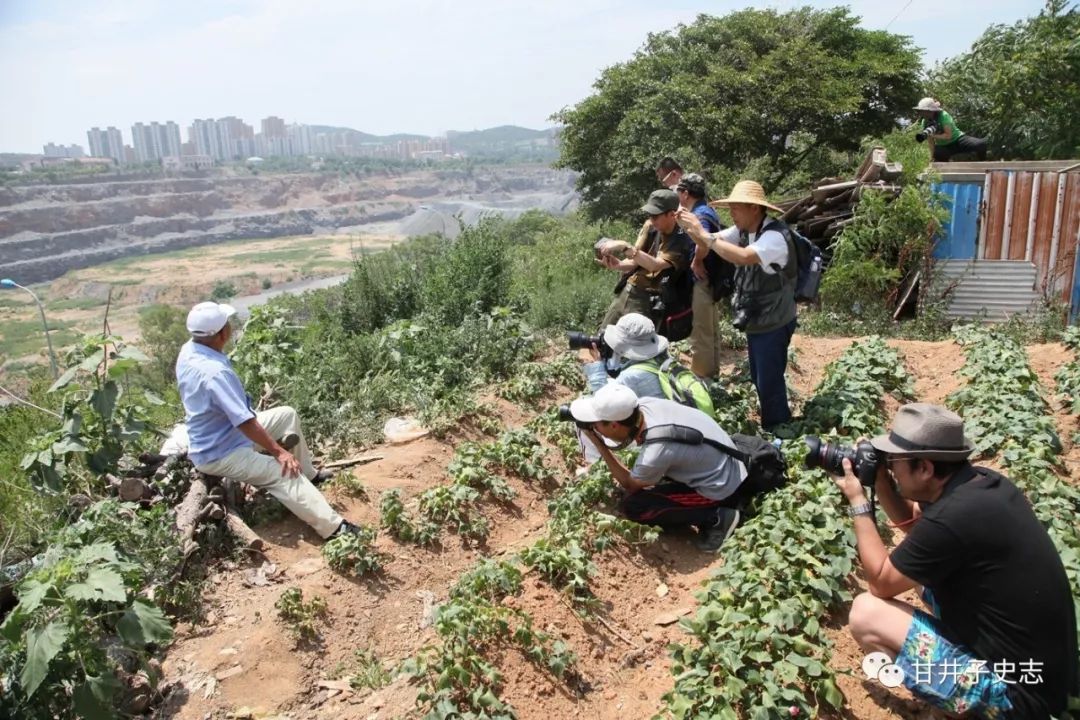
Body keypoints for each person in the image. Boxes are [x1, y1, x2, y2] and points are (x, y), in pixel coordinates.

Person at [833, 403, 1078, 719]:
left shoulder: (954, 518)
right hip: (1045, 680)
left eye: (895, 461)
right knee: (918, 559)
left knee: (867, 614)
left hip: (1018, 699)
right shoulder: (981, 484)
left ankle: (963, 710)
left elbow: (880, 581)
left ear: (925, 469)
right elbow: (916, 527)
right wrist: (881, 481)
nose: (890, 466)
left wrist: (857, 500)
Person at [175, 301, 362, 541]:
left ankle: (310, 475)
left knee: (287, 415)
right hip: (219, 452)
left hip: (223, 434)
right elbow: (244, 421)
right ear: (222, 333)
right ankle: (336, 529)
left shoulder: (190, 350)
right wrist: (278, 452)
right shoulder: (214, 372)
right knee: (281, 471)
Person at [676, 180, 796, 430]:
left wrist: (702, 234)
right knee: (759, 375)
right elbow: (710, 240)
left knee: (769, 379)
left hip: (775, 319)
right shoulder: (742, 231)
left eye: (736, 208)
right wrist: (689, 229)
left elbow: (743, 257)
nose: (731, 214)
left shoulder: (774, 236)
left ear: (754, 209)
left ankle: (779, 429)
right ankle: (774, 424)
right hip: (758, 318)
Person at [569, 383, 746, 552]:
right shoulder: (645, 406)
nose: (594, 427)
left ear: (615, 424)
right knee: (650, 484)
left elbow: (630, 484)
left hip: (722, 486)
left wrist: (599, 445)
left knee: (635, 506)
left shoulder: (656, 449)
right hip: (728, 459)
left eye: (596, 424)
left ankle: (717, 518)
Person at [598, 189, 693, 329]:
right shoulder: (651, 227)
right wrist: (618, 265)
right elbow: (636, 261)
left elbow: (654, 265)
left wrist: (625, 247)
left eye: (656, 216)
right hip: (629, 289)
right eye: (650, 215)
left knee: (636, 342)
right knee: (604, 336)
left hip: (648, 299)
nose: (651, 220)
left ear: (671, 214)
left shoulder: (681, 239)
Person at [676, 173, 728, 378]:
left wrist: (697, 261)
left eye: (679, 191)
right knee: (710, 328)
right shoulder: (706, 210)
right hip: (711, 279)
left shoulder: (700, 214)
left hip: (703, 279)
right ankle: (712, 373)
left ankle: (703, 377)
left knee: (701, 331)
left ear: (686, 193)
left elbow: (704, 241)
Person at [913, 97, 988, 162]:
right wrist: (931, 158)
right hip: (944, 146)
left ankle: (983, 163)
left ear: (932, 110)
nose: (924, 114)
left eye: (926, 111)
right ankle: (948, 166)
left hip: (957, 140)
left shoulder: (943, 116)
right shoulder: (924, 122)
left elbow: (948, 136)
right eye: (922, 111)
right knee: (936, 154)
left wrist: (933, 135)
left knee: (981, 144)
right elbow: (931, 142)